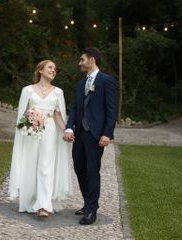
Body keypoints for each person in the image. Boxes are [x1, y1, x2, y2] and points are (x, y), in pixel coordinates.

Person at [8, 60, 72, 217]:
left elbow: (58, 115)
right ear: (40, 70)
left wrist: (67, 130)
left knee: (46, 166)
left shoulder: (58, 92)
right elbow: (22, 114)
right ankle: (29, 201)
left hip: (50, 130)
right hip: (32, 129)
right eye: (50, 67)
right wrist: (29, 125)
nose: (53, 70)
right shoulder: (27, 90)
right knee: (30, 164)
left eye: (55, 69)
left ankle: (43, 205)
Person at [63, 47, 118, 225]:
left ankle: (92, 210)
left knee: (92, 171)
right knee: (79, 167)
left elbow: (111, 110)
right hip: (79, 134)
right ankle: (88, 203)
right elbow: (75, 108)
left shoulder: (106, 81)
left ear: (92, 60)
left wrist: (107, 134)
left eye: (82, 60)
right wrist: (69, 127)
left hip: (95, 135)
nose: (80, 63)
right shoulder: (81, 84)